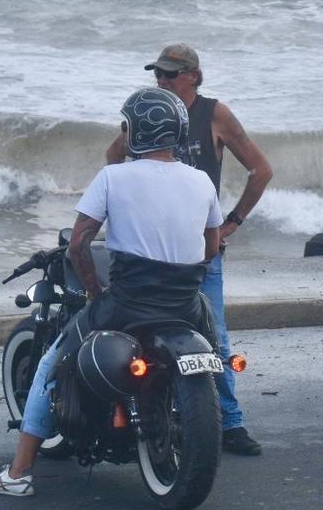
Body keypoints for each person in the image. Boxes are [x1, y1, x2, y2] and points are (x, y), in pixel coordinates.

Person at [0, 87, 222, 496]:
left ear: (136, 132)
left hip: (127, 304)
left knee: (49, 365)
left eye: (127, 126)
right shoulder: (201, 181)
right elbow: (212, 246)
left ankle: (19, 474)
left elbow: (78, 244)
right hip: (184, 303)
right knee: (212, 349)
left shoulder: (113, 177)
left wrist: (94, 292)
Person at [107, 44, 273, 456]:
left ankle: (230, 424)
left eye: (170, 74)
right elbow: (114, 157)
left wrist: (231, 222)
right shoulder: (149, 116)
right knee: (139, 336)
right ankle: (140, 416)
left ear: (194, 75)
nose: (161, 81)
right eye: (157, 75)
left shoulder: (214, 114)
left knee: (213, 337)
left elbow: (261, 170)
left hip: (201, 251)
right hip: (151, 250)